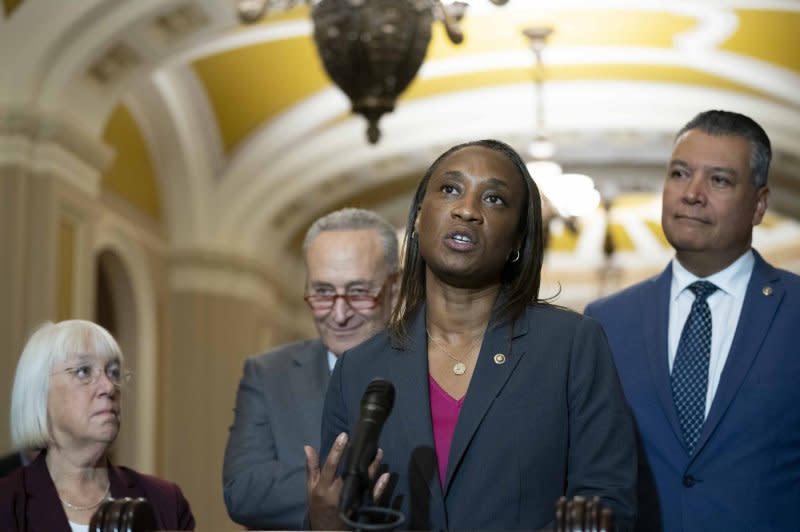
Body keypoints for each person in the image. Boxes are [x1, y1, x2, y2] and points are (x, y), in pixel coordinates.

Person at [306, 139, 637, 531]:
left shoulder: (572, 345)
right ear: (416, 218)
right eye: (450, 189)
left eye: (494, 199)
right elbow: (340, 507)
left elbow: (607, 503)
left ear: (518, 239)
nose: (467, 210)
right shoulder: (358, 369)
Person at [585, 110, 800, 531]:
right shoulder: (605, 322)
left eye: (719, 180)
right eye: (680, 174)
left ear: (759, 204)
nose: (692, 194)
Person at [223, 208, 400, 529]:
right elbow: (244, 491)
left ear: (395, 287)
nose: (340, 313)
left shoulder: (432, 370)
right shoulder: (268, 374)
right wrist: (356, 484)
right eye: (323, 292)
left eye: (359, 292)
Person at [0, 319, 195, 531]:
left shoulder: (165, 502)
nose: (109, 387)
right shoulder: (7, 503)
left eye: (113, 372)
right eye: (84, 371)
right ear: (40, 392)